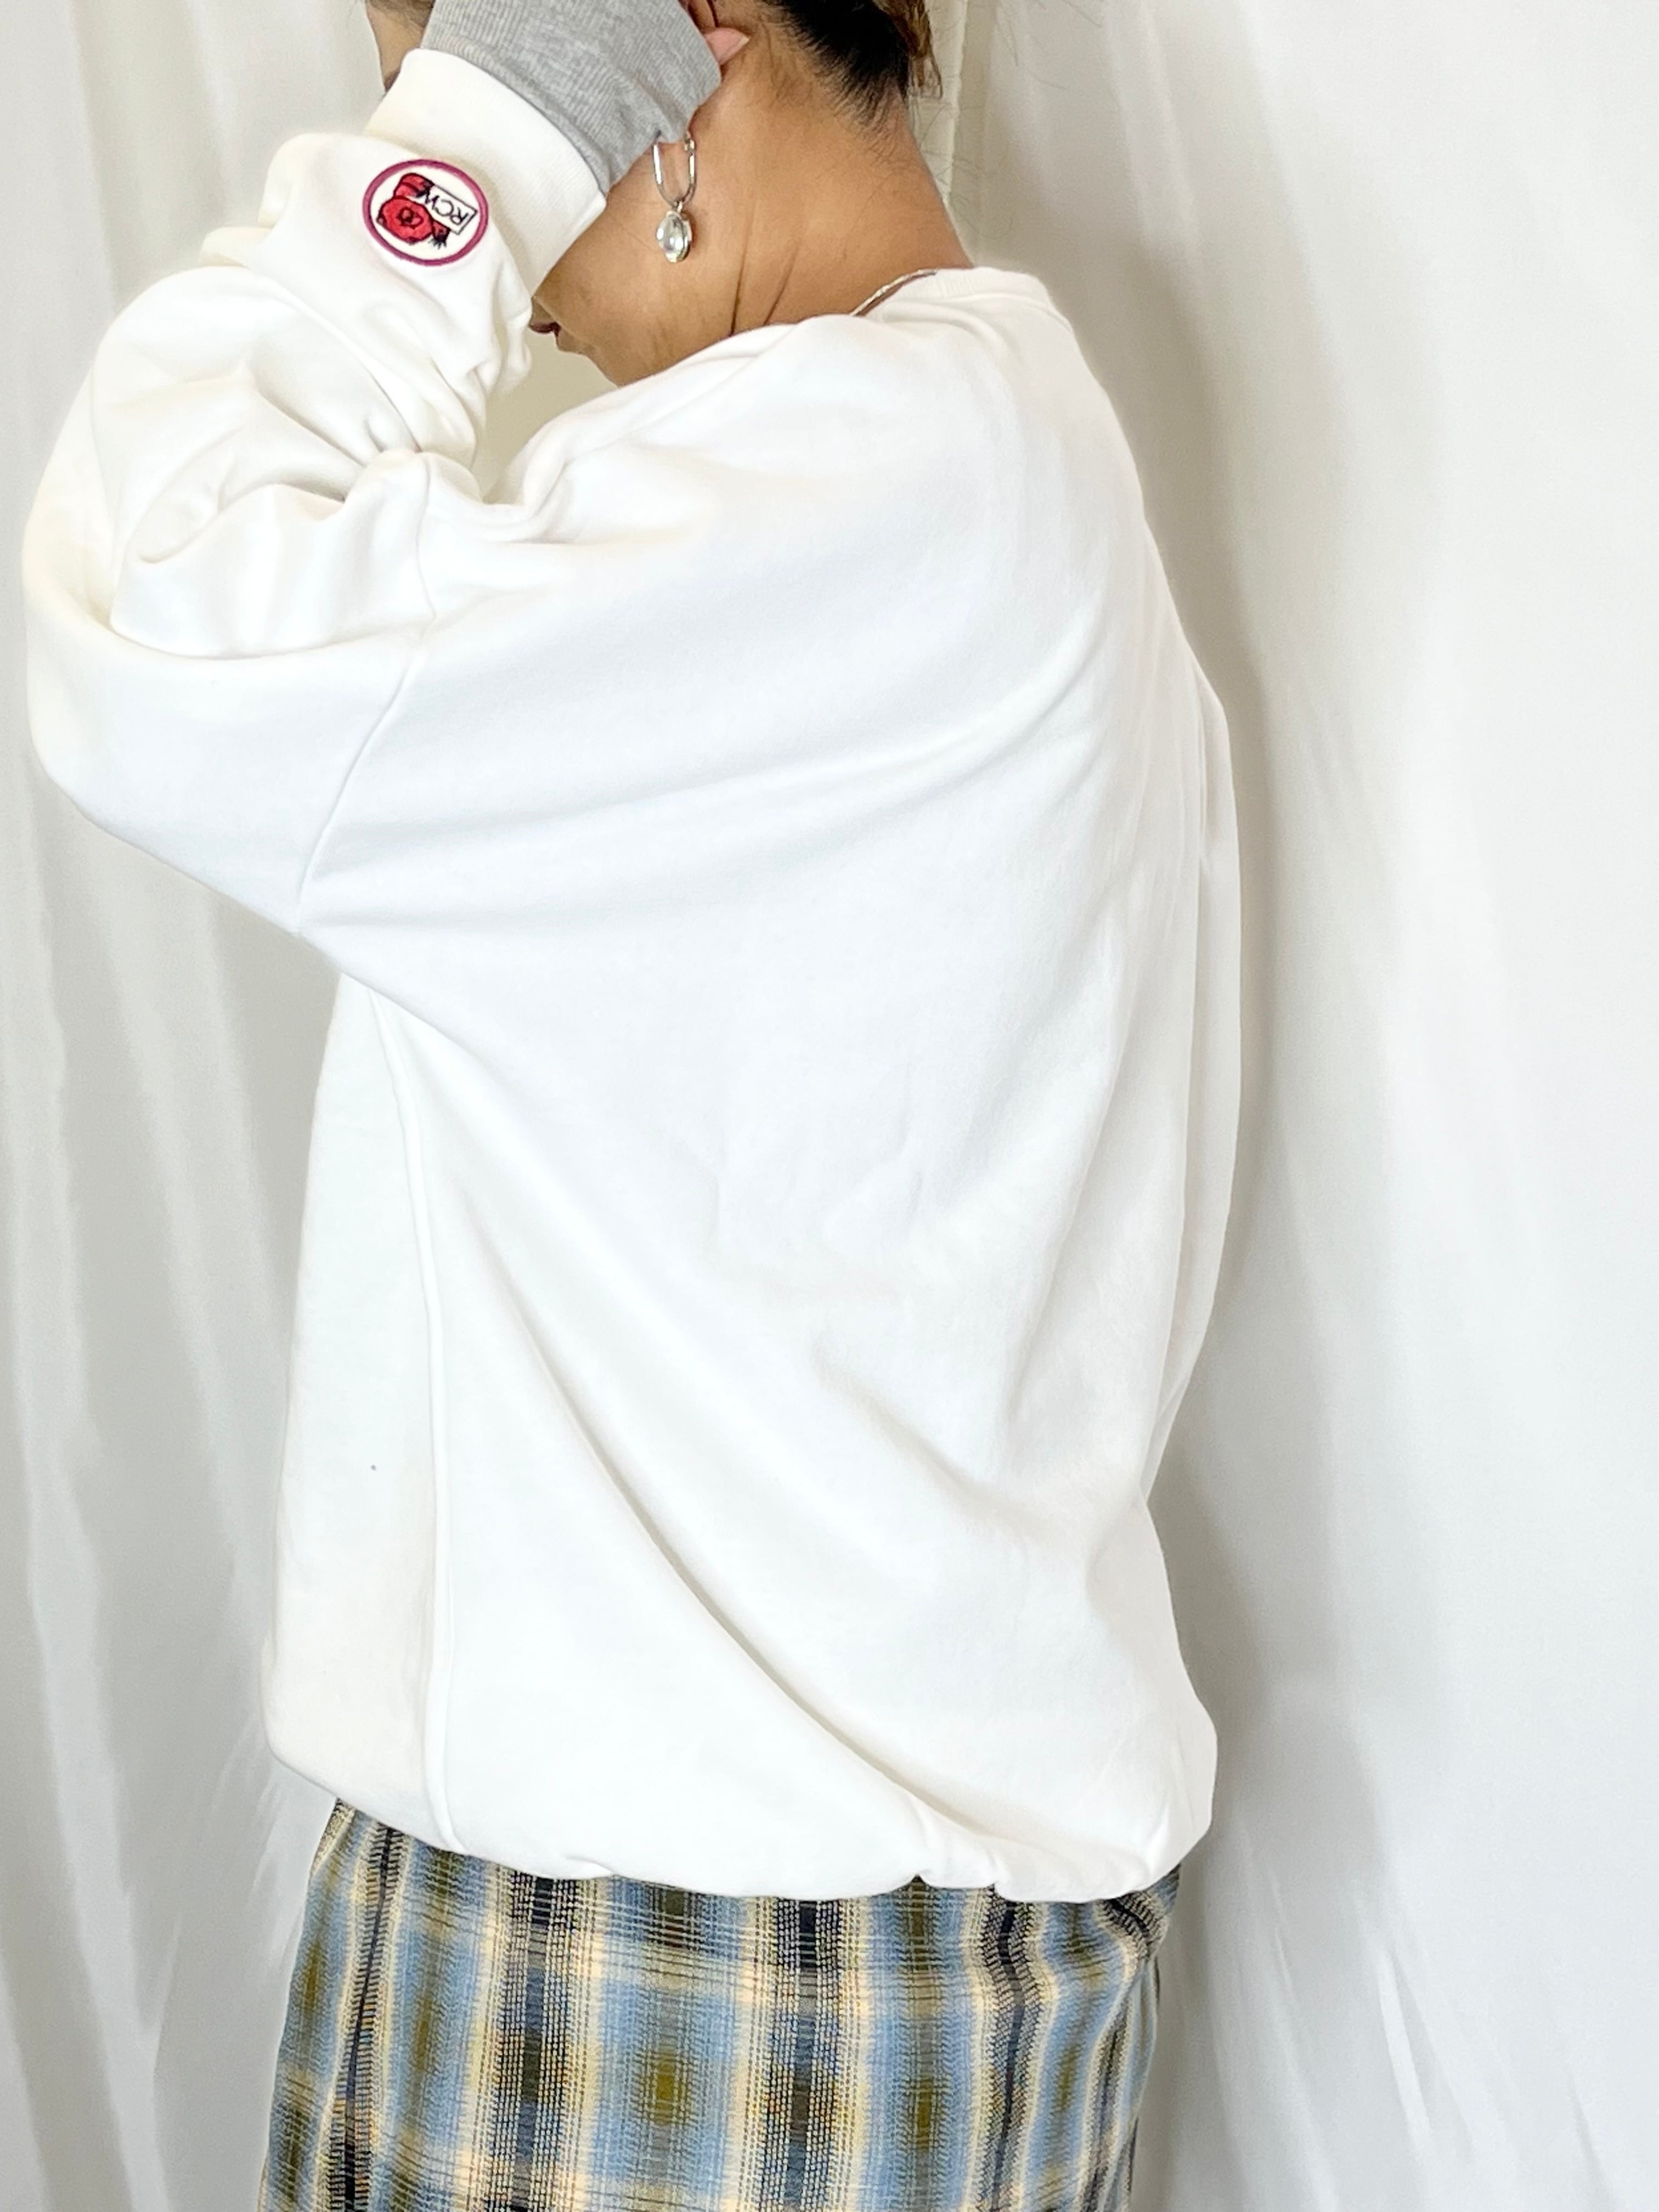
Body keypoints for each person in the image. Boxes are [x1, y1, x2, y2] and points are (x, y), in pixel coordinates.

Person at [21, 0, 1242, 2201]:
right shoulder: (973, 479)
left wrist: (487, 134)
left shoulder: (875, 481)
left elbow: (151, 603)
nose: (523, 301)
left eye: (474, 73)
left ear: (667, 59)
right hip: (814, 1953)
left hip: (684, 1978)